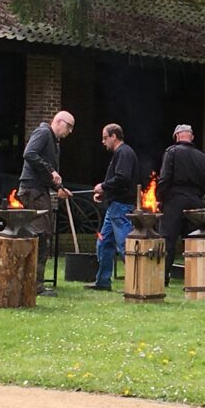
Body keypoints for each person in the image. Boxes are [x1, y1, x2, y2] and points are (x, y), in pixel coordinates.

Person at [18, 111, 74, 297]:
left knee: (43, 235)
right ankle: (34, 285)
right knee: (41, 236)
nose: (70, 132)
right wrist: (51, 171)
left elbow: (46, 173)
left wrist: (59, 187)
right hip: (32, 190)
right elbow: (29, 154)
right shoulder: (43, 133)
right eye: (69, 126)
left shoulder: (54, 142)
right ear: (59, 122)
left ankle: (33, 282)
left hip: (39, 190)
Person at [158, 124, 205, 285]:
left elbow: (165, 178)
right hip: (195, 201)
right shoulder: (203, 157)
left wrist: (161, 197)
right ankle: (197, 278)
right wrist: (195, 196)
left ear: (177, 137)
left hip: (174, 200)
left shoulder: (171, 152)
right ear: (191, 137)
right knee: (195, 241)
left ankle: (163, 277)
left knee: (168, 241)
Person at [90, 123, 139, 291]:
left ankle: (137, 282)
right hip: (114, 206)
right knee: (103, 244)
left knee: (125, 246)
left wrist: (103, 187)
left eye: (105, 138)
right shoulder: (120, 153)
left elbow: (122, 178)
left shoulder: (124, 153)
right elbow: (119, 182)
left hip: (121, 207)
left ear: (114, 136)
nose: (103, 142)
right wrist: (105, 193)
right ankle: (103, 282)